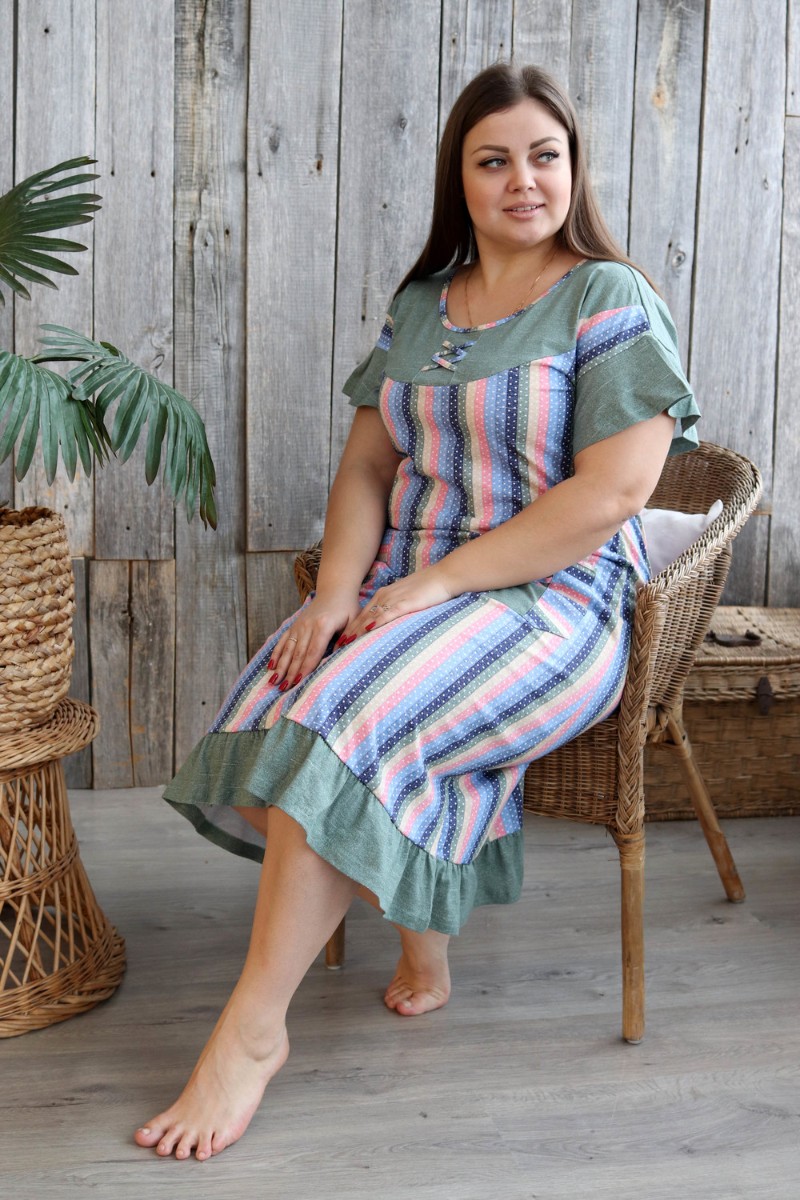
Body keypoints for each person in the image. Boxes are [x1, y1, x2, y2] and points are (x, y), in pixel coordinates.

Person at [135, 61, 699, 1161]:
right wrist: (333, 599)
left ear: (573, 168)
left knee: (336, 733)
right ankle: (424, 932)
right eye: (493, 161)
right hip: (403, 584)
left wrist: (435, 585)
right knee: (275, 709)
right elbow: (366, 467)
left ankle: (251, 1034)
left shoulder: (609, 299)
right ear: (460, 179)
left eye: (543, 156)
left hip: (549, 604)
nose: (522, 180)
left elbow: (614, 493)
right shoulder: (422, 302)